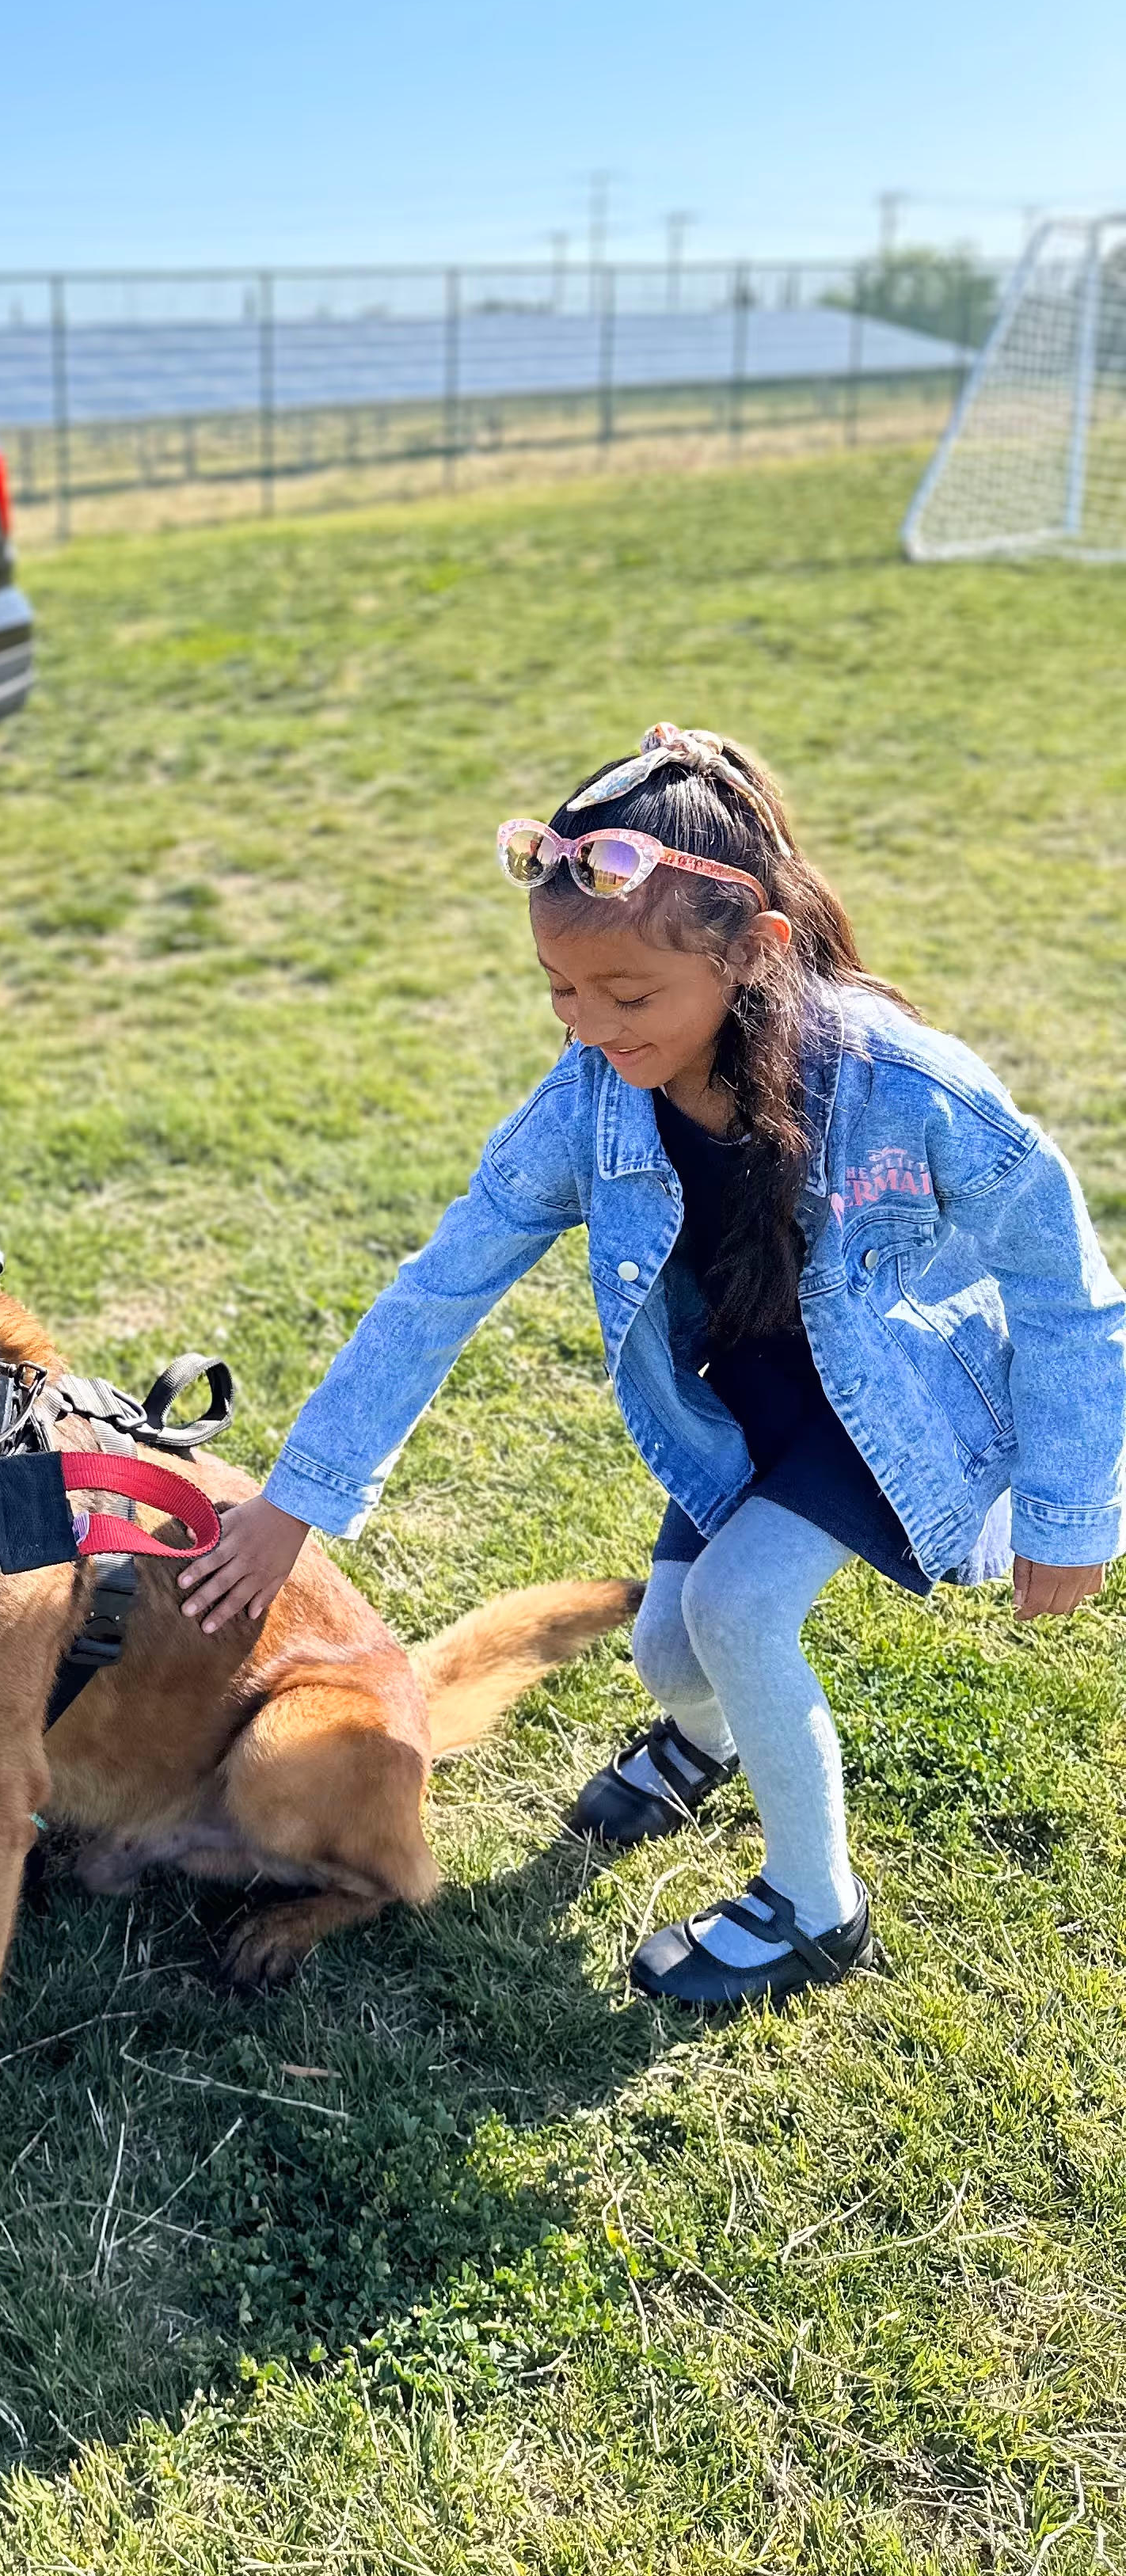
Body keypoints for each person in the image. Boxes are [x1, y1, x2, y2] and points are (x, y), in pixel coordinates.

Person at [174, 723, 1125, 2014]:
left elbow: (1067, 1285)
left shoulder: (904, 1086)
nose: (590, 1028)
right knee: (677, 1657)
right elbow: (441, 1285)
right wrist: (295, 1499)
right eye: (564, 993)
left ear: (753, 951)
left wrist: (1074, 1511)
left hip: (889, 1406)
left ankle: (816, 1905)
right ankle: (711, 1740)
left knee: (738, 1612)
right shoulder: (588, 1102)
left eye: (628, 998)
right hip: (740, 1415)